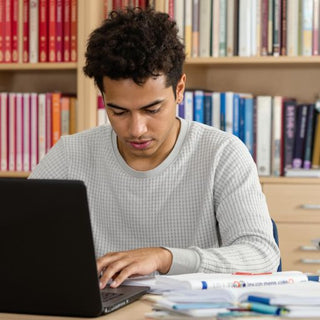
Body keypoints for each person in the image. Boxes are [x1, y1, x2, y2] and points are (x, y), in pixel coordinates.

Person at [29, 7, 280, 289]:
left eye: (152, 109)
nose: (136, 129)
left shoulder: (222, 153)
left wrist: (165, 259)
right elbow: (16, 237)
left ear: (180, 89)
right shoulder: (70, 154)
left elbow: (261, 256)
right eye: (118, 112)